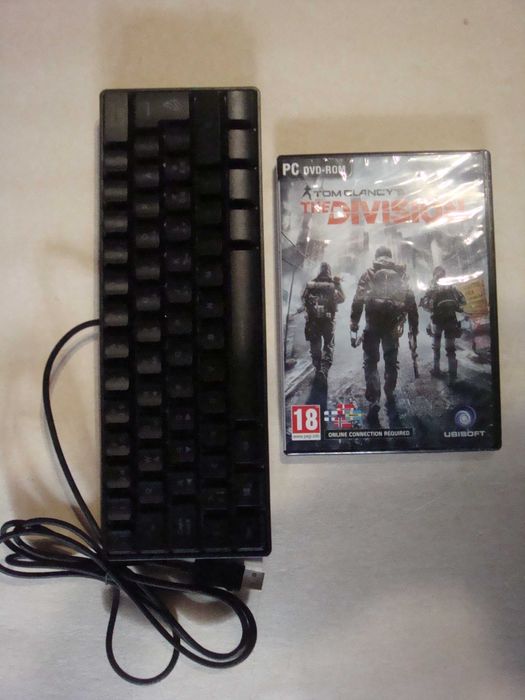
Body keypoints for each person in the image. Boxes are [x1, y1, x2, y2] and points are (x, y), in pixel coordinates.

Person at [350, 246, 418, 425]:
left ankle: (374, 399)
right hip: (392, 326)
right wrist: (413, 327)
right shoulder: (401, 274)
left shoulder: (369, 273)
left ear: (376, 256)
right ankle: (389, 389)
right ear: (390, 256)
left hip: (372, 325)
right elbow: (411, 302)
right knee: (391, 359)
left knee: (370, 362)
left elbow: (358, 299)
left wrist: (354, 322)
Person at [419, 266, 466, 383]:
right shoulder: (451, 286)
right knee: (451, 349)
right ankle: (453, 375)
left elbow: (426, 305)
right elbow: (463, 301)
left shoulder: (432, 287)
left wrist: (432, 308)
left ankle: (436, 370)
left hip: (437, 320)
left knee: (436, 347)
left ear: (434, 275)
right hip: (451, 320)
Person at [301, 262, 345, 381]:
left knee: (315, 343)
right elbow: (342, 298)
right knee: (328, 344)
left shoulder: (312, 283)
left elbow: (303, 298)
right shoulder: (334, 283)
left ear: (319, 270)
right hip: (328, 319)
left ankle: (317, 367)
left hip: (313, 320)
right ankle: (324, 370)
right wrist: (337, 289)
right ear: (329, 271)